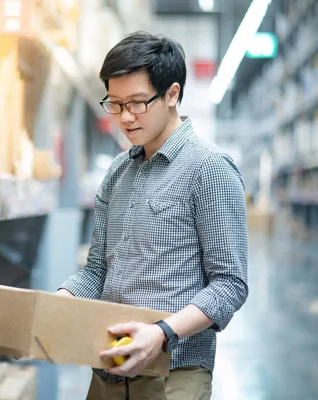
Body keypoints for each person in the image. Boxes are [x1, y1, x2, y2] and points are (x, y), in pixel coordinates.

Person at [57, 31, 249, 400]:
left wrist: (162, 332)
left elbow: (230, 284)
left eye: (137, 103)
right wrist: (57, 304)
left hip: (174, 375)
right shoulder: (117, 172)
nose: (125, 117)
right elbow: (97, 269)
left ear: (172, 94)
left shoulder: (209, 169)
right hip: (108, 370)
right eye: (114, 104)